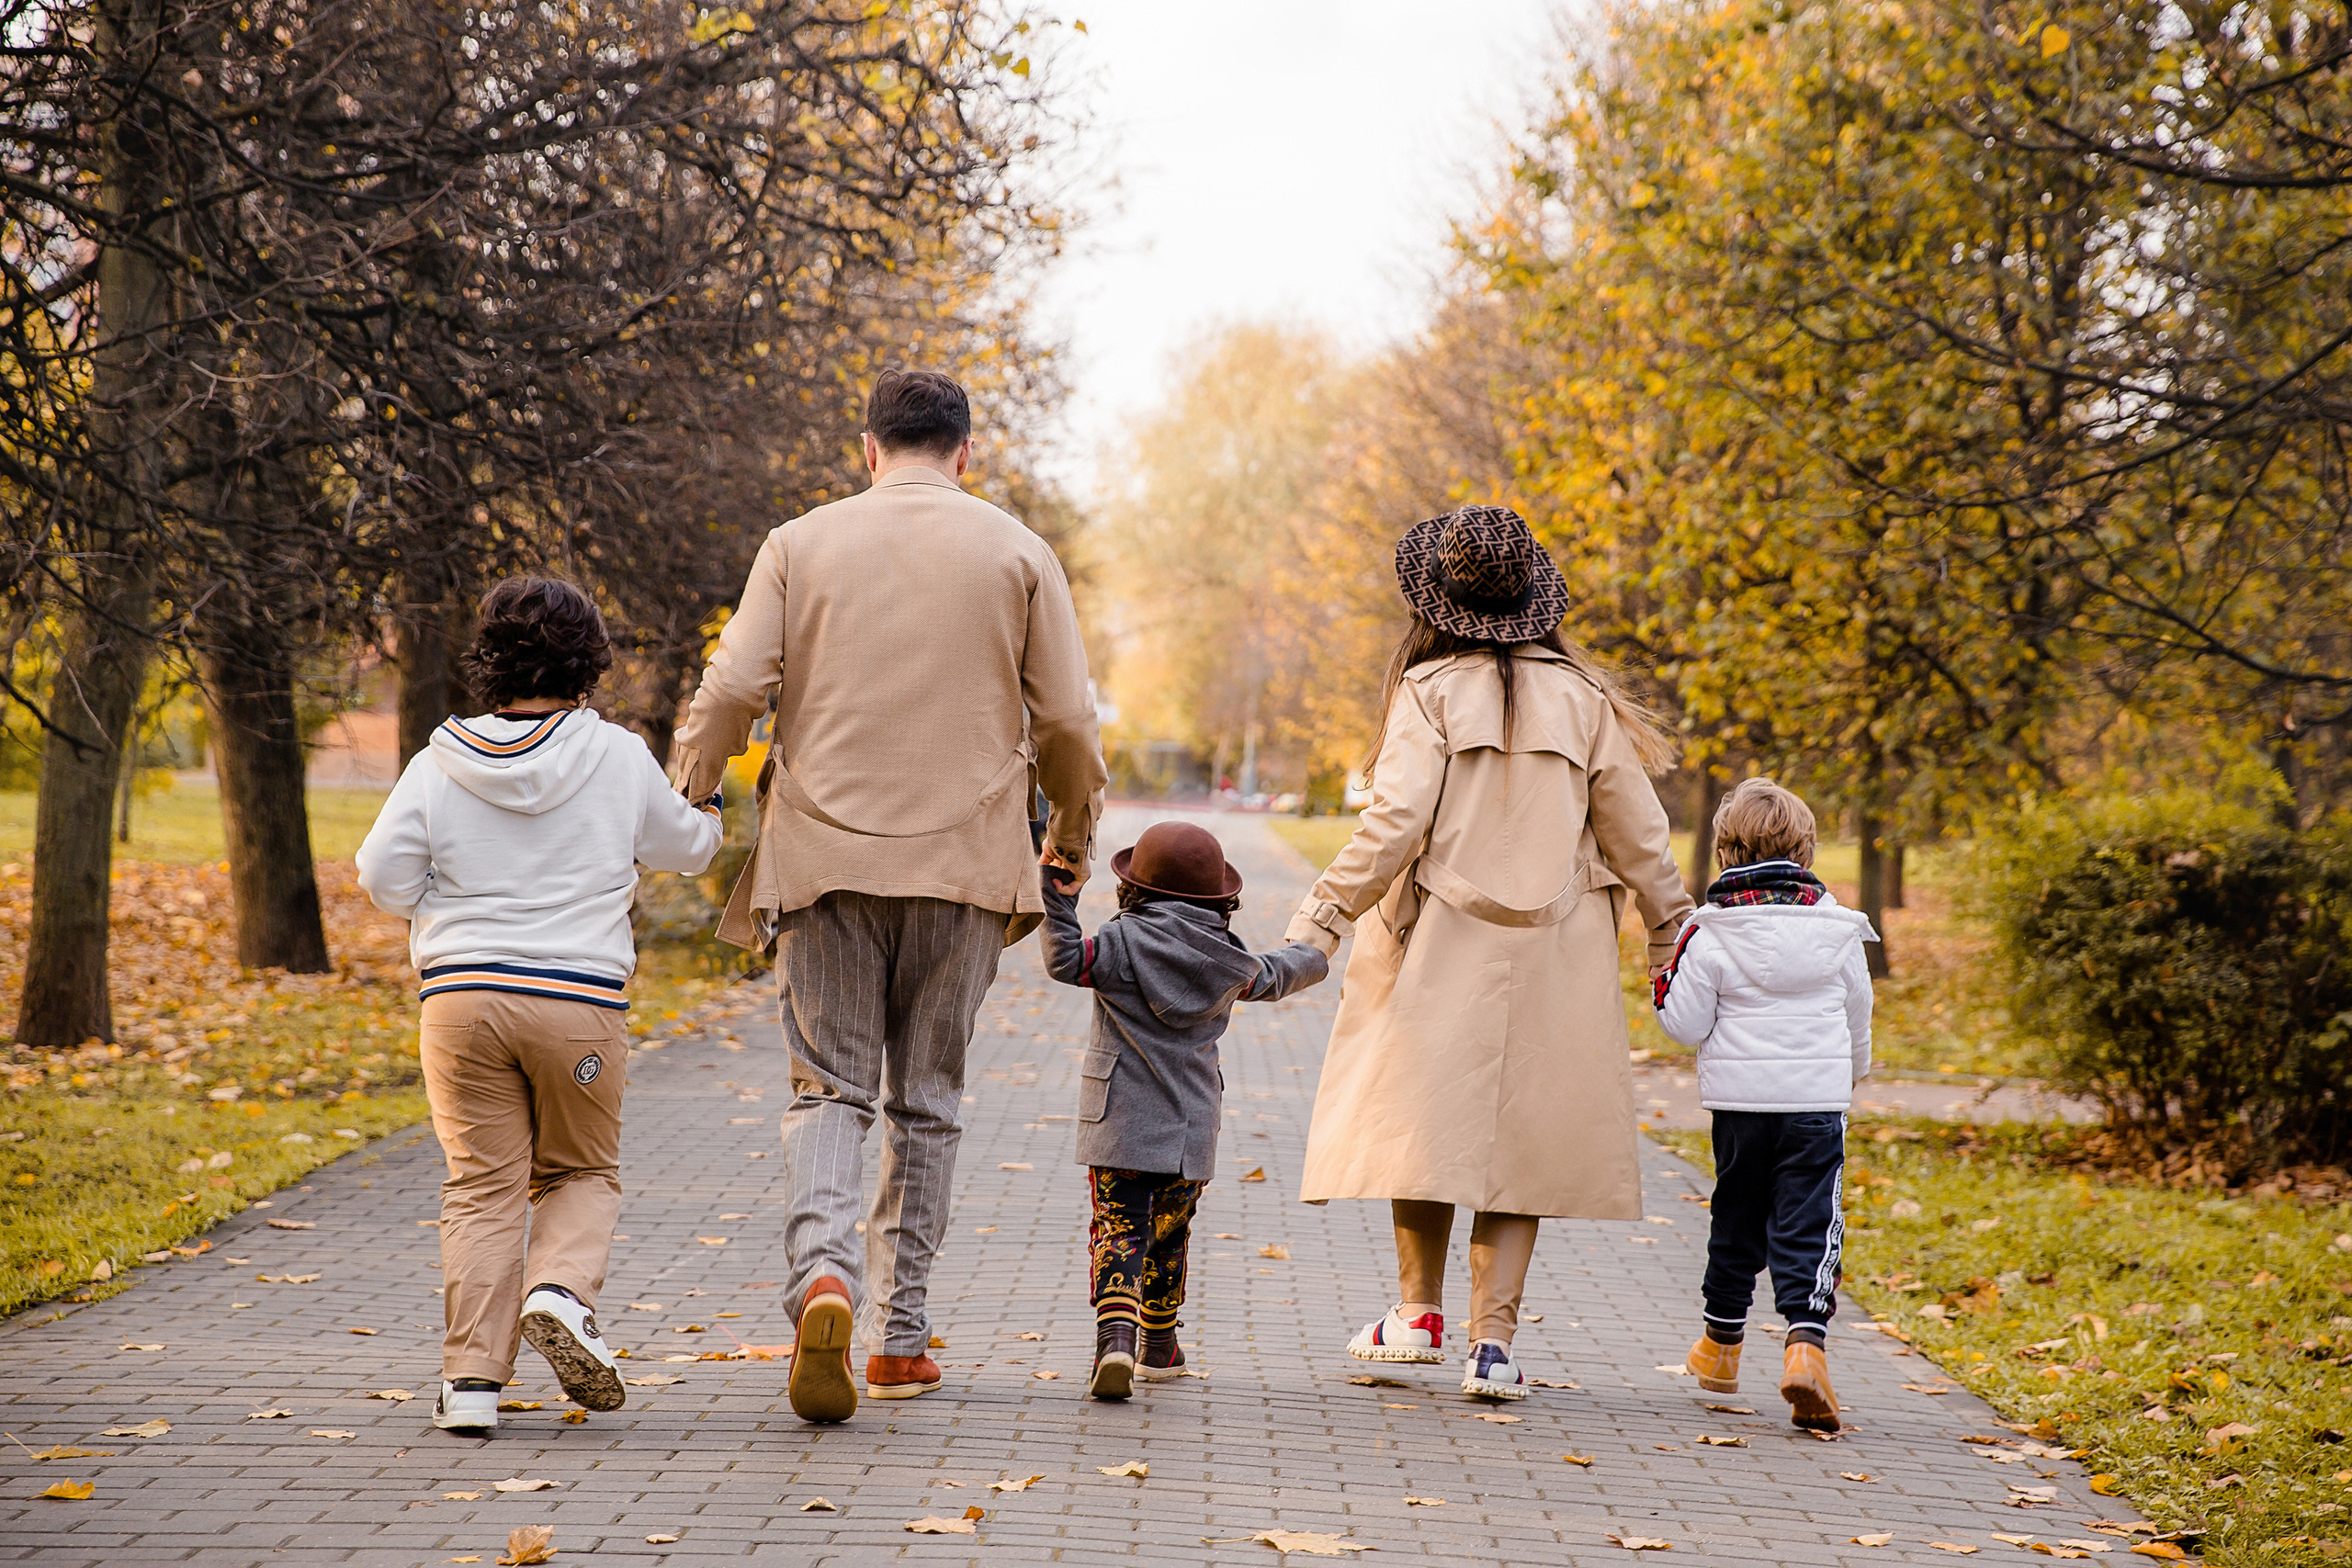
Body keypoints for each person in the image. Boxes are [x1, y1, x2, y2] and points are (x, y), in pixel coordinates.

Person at [668, 367, 1106, 1424]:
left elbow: (731, 689)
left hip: (822, 861)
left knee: (830, 1090)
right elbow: (1069, 725)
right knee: (930, 1102)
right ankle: (900, 1341)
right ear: (965, 451)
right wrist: (1073, 838)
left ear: (867, 449)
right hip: (964, 867)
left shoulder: (799, 543)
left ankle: (825, 1277)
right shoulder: (1018, 551)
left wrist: (694, 786)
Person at [1284, 504, 1693, 1401]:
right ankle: (1493, 1346)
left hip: (1437, 939)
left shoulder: (1426, 694)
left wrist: (1319, 918)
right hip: (1558, 951)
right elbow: (1639, 840)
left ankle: (1416, 1315)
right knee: (1521, 1138)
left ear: (1433, 603)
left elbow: (1393, 825)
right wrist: (1672, 930)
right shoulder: (1586, 703)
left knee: (1426, 1125)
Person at [356, 577, 722, 1434]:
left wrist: (439, 903)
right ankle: (558, 1292)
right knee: (581, 1170)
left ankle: (470, 1386)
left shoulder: (437, 758)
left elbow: (381, 875)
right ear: (587, 662)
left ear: (491, 662)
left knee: (481, 1185)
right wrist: (705, 808)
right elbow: (692, 849)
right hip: (577, 1007)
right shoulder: (619, 755)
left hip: (461, 1002)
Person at [1038, 821, 1329, 1398]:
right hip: (1191, 1130)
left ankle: (1114, 1343)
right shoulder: (1229, 961)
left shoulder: (1119, 945)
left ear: (1134, 889)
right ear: (1219, 898)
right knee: (1169, 1233)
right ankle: (1159, 1345)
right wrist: (1316, 953)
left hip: (1118, 1122)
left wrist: (1055, 893)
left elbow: (1066, 959)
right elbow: (1277, 974)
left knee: (1120, 1229)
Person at [1651, 777, 1875, 1432]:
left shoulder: (1710, 929)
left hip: (1741, 1106)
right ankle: (1805, 1348)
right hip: (1815, 1103)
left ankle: (1720, 1349)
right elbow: (1857, 1009)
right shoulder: (1837, 926)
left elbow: (1684, 1024)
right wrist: (1853, 1070)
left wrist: (1664, 978)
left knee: (1736, 1212)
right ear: (1805, 849)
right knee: (1809, 1220)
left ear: (1724, 850)